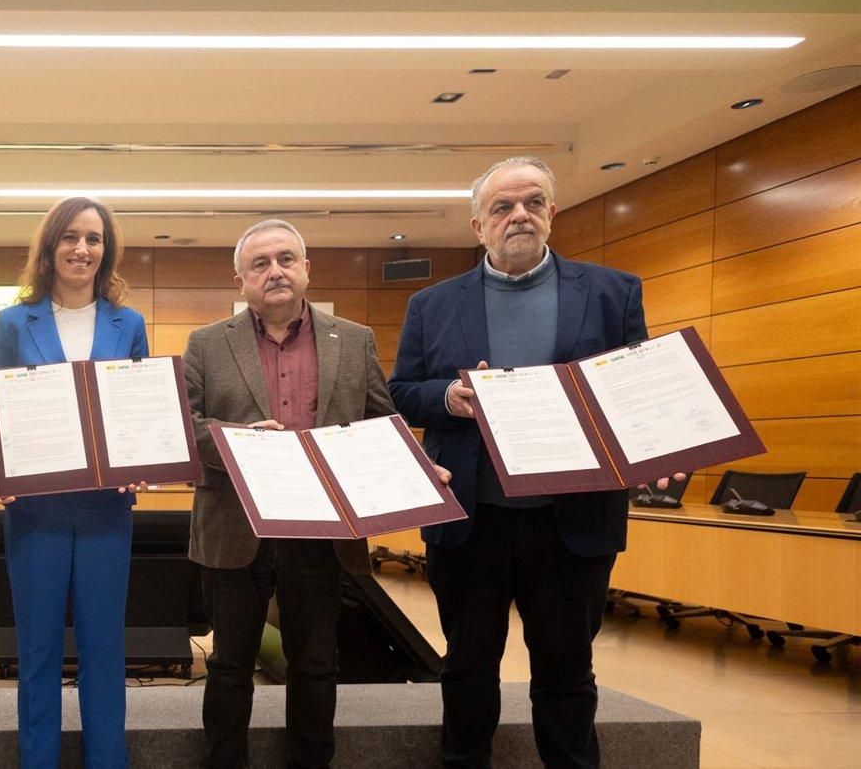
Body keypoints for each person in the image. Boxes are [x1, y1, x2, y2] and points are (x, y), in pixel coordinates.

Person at [389, 156, 679, 768]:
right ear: (478, 226)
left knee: (568, 672)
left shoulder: (612, 292)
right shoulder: (432, 304)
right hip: (472, 519)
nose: (518, 215)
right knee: (467, 668)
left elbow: (638, 390)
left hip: (571, 522)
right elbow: (401, 391)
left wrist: (664, 445)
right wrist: (448, 398)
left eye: (532, 202)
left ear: (552, 213)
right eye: (502, 207)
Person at [184, 219, 438, 768]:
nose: (274, 271)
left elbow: (380, 420)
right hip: (235, 528)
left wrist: (417, 470)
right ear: (241, 279)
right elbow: (186, 424)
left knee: (317, 664)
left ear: (306, 269)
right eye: (260, 264)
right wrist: (235, 441)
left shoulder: (354, 338)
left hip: (323, 531)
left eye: (285, 259)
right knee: (230, 664)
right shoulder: (206, 343)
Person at [0, 197, 148, 769]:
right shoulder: (11, 323)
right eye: (70, 237)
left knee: (105, 652)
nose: (82, 249)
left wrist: (148, 457)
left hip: (105, 512)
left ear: (107, 250)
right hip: (36, 512)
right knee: (38, 653)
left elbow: (140, 414)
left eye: (94, 239)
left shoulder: (131, 324)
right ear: (49, 248)